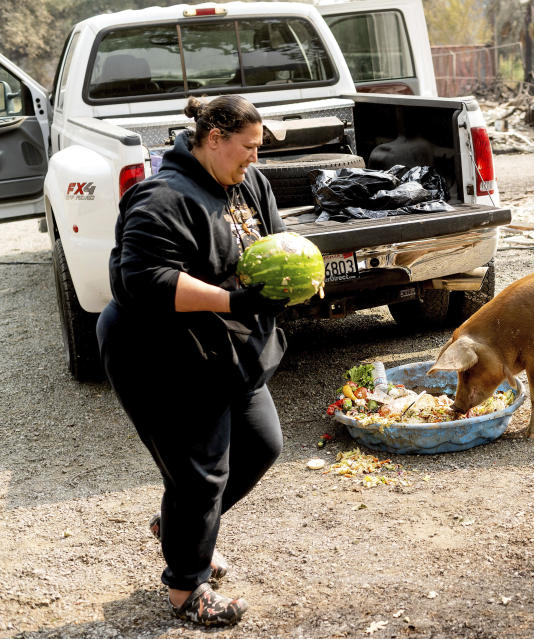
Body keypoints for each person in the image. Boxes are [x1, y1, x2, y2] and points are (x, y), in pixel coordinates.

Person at [97, 95, 289, 626]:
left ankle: (177, 529)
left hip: (226, 347)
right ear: (213, 140)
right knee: (201, 476)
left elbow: (272, 243)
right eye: (248, 147)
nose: (255, 157)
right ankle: (187, 589)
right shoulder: (162, 198)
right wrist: (236, 300)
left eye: (259, 147)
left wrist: (293, 273)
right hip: (159, 354)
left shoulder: (248, 182)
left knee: (261, 444)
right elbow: (144, 281)